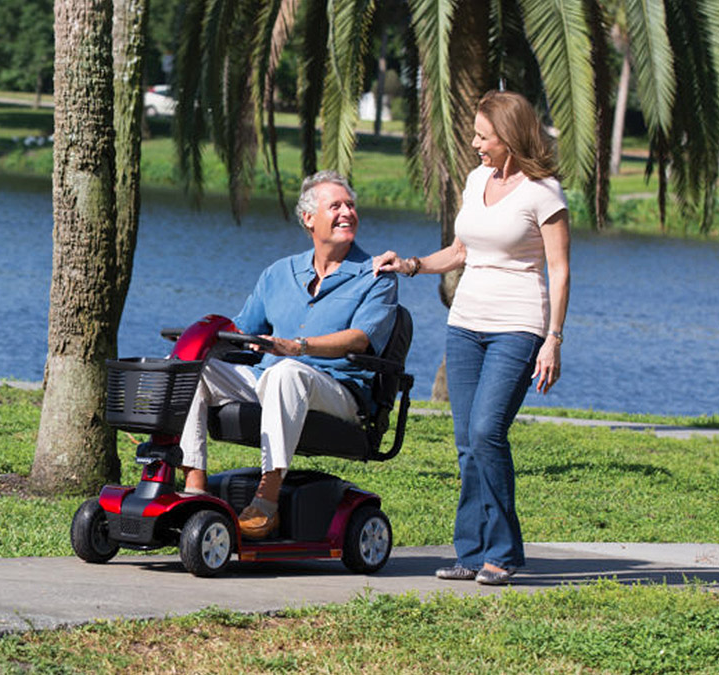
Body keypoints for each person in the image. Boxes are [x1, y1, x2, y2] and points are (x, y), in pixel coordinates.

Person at [373, 89, 571, 586]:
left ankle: (503, 553)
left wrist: (554, 340)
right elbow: (462, 249)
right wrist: (413, 265)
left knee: (487, 432)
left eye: (483, 136)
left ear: (509, 135)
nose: (476, 144)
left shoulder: (543, 192)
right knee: (466, 442)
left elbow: (560, 270)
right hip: (465, 324)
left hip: (518, 327)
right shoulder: (477, 178)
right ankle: (472, 551)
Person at [179, 170, 399, 539]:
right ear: (309, 219)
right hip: (269, 379)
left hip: (338, 390)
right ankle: (194, 488)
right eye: (336, 206)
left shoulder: (376, 274)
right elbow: (240, 329)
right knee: (195, 367)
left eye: (350, 205)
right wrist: (211, 339)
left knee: (288, 371)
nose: (347, 212)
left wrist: (298, 347)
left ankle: (266, 500)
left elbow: (361, 339)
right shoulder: (279, 273)